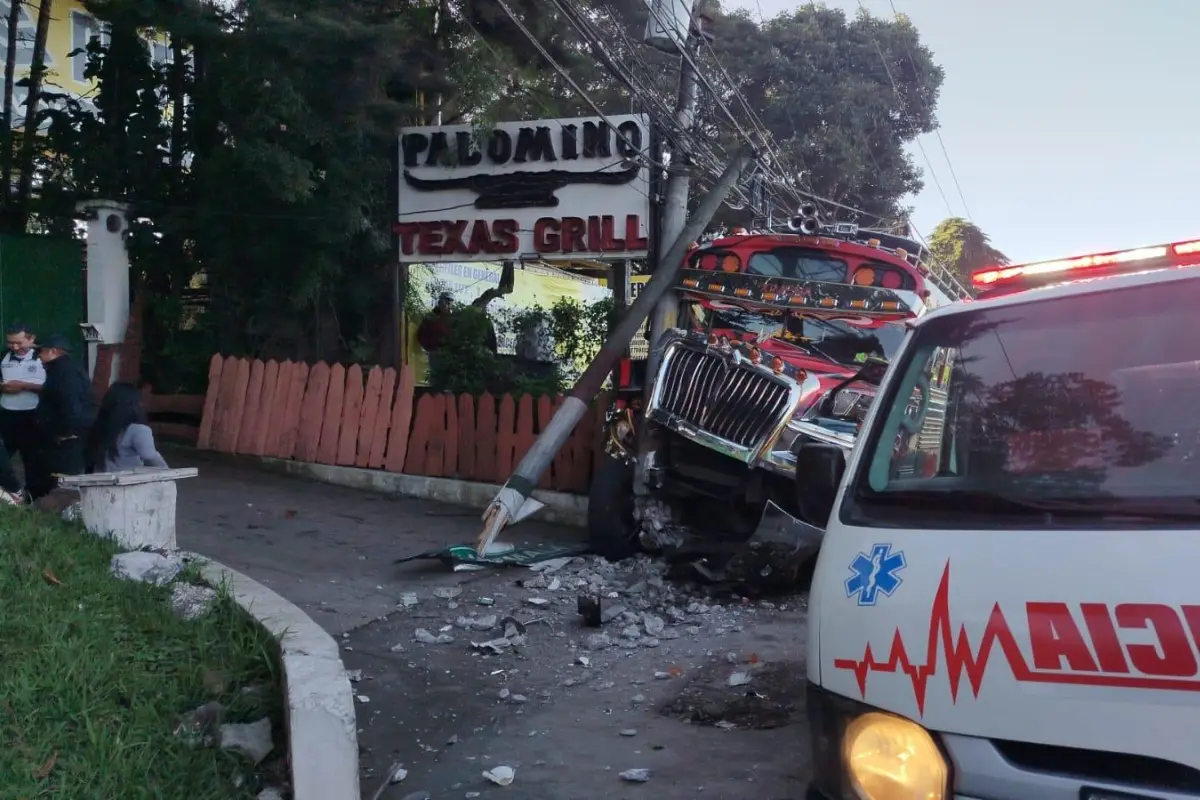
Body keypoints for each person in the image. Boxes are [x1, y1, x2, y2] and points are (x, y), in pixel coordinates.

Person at [36, 333, 97, 482]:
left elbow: (71, 404)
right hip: (62, 434)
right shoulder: (60, 369)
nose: (38, 356)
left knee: (65, 479)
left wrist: (66, 432)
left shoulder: (65, 372)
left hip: (68, 438)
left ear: (53, 351)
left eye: (41, 351)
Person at [1, 322, 47, 497]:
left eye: (19, 343)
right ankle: (9, 493)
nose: (14, 347)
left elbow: (55, 387)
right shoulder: (4, 357)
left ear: (31, 338)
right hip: (8, 414)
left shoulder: (44, 356)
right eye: (10, 343)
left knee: (33, 459)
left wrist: (24, 386)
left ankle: (35, 498)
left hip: (33, 414)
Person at [88, 382, 168, 471]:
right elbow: (149, 455)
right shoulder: (139, 429)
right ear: (134, 404)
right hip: (127, 479)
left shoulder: (102, 424)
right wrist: (167, 471)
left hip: (102, 476)